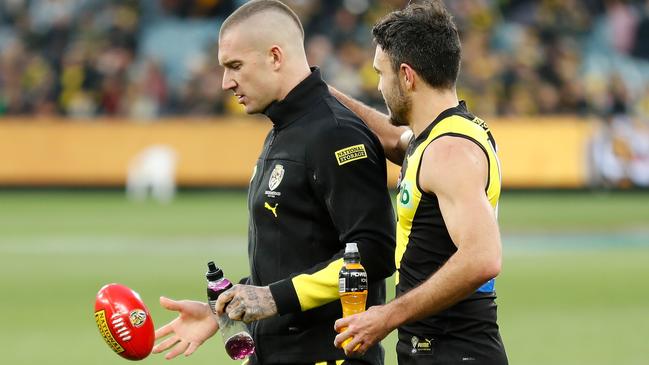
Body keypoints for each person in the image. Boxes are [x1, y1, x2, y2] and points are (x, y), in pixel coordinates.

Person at [152, 1, 396, 365]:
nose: (226, 82)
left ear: (275, 57)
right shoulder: (286, 129)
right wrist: (225, 308)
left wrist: (274, 298)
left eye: (235, 66)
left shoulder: (335, 133)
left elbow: (374, 251)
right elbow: (294, 255)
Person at [330, 1, 508, 364]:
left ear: (407, 76)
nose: (378, 86)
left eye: (381, 73)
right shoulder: (442, 135)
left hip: (454, 351)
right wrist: (319, 94)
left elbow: (483, 257)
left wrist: (387, 316)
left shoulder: (449, 152)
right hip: (442, 349)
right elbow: (396, 141)